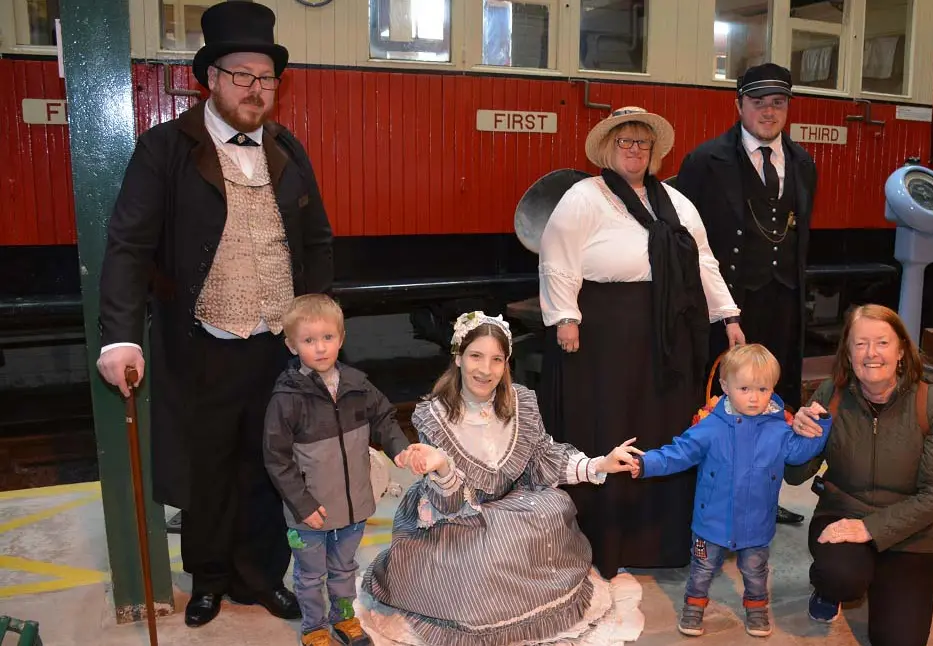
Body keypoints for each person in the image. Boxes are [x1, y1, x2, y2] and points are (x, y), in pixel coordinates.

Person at [94, 1, 333, 627]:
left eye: (267, 79)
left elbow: (318, 241)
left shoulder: (286, 148)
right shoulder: (166, 147)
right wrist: (120, 338)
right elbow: (127, 245)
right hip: (202, 342)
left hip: (274, 345)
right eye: (242, 76)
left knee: (268, 464)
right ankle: (208, 577)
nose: (256, 90)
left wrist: (318, 322)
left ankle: (260, 577)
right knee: (207, 469)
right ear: (211, 79)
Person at [537, 106, 745, 579]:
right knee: (608, 422)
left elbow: (704, 262)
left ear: (654, 153)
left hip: (664, 334)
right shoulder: (584, 196)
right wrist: (566, 318)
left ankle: (659, 539)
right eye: (626, 143)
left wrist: (728, 315)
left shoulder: (674, 201)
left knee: (661, 428)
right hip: (601, 333)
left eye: (642, 144)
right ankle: (604, 540)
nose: (634, 151)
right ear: (609, 149)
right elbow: (558, 257)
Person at [359, 312, 645, 646]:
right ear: (458, 358)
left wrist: (599, 464)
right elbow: (449, 502)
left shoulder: (520, 402)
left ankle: (531, 607)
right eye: (476, 356)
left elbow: (543, 456)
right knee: (483, 555)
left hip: (512, 502)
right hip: (455, 511)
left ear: (506, 363)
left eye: (497, 359)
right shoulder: (434, 416)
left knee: (553, 509)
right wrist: (442, 467)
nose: (485, 369)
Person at [675, 63, 818, 526]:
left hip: (783, 303)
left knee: (771, 402)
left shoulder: (802, 163)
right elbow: (686, 245)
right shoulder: (704, 162)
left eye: (778, 103)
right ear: (739, 105)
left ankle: (763, 496)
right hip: (727, 310)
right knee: (722, 405)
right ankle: (713, 503)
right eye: (758, 102)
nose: (768, 111)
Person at [785, 304, 933, 646]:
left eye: (882, 342)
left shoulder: (932, 402)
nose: (871, 354)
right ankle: (828, 588)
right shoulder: (831, 395)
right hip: (842, 514)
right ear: (848, 354)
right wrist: (798, 439)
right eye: (860, 344)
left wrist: (870, 530)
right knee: (841, 576)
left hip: (909, 533)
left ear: (900, 352)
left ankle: (880, 575)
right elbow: (794, 476)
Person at [628, 344, 831, 638]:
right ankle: (694, 606)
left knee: (755, 571)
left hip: (757, 521)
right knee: (702, 569)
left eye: (763, 389)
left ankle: (756, 608)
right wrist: (645, 463)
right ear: (725, 386)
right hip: (711, 520)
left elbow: (800, 452)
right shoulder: (711, 427)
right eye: (745, 388)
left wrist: (820, 425)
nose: (754, 397)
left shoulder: (779, 429)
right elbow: (679, 452)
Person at [264, 295, 419, 646]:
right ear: (291, 345)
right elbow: (276, 458)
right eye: (308, 340)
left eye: (327, 338)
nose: (320, 348)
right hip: (310, 513)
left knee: (344, 569)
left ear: (342, 337)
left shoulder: (357, 385)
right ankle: (314, 628)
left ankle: (343, 618)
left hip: (354, 507)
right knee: (309, 574)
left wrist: (400, 449)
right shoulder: (287, 398)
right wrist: (302, 504)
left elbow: (384, 418)